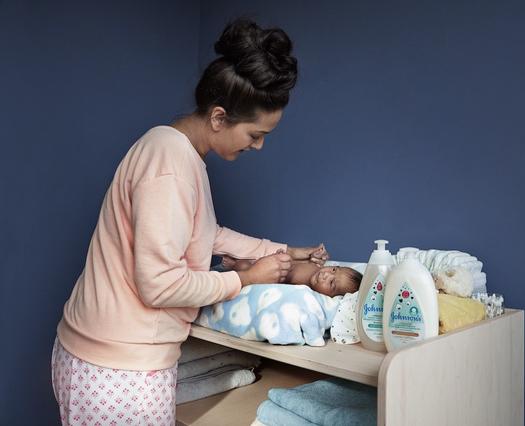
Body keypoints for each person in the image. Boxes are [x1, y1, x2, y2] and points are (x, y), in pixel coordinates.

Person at [50, 18, 328, 426]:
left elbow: (204, 234)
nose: (260, 145)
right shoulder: (172, 166)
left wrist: (281, 251)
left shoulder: (177, 152)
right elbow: (160, 284)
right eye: (254, 134)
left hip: (110, 358)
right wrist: (245, 280)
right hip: (117, 368)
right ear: (219, 118)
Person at [221, 250, 362, 297]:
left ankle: (234, 266)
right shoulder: (316, 267)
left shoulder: (304, 290)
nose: (326, 275)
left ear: (331, 297)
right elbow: (298, 261)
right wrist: (314, 256)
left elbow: (281, 285)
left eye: (332, 283)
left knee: (243, 265)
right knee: (250, 261)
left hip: (268, 276)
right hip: (272, 263)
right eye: (334, 270)